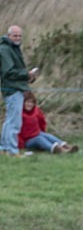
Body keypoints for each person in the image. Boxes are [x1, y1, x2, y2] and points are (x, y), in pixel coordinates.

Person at [0, 25, 38, 157]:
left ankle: (4, 148)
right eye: (15, 35)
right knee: (14, 122)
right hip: (12, 89)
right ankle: (12, 150)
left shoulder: (13, 48)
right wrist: (26, 74)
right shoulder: (5, 49)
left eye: (20, 36)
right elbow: (8, 72)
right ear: (8, 35)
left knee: (9, 120)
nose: (18, 38)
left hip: (16, 88)